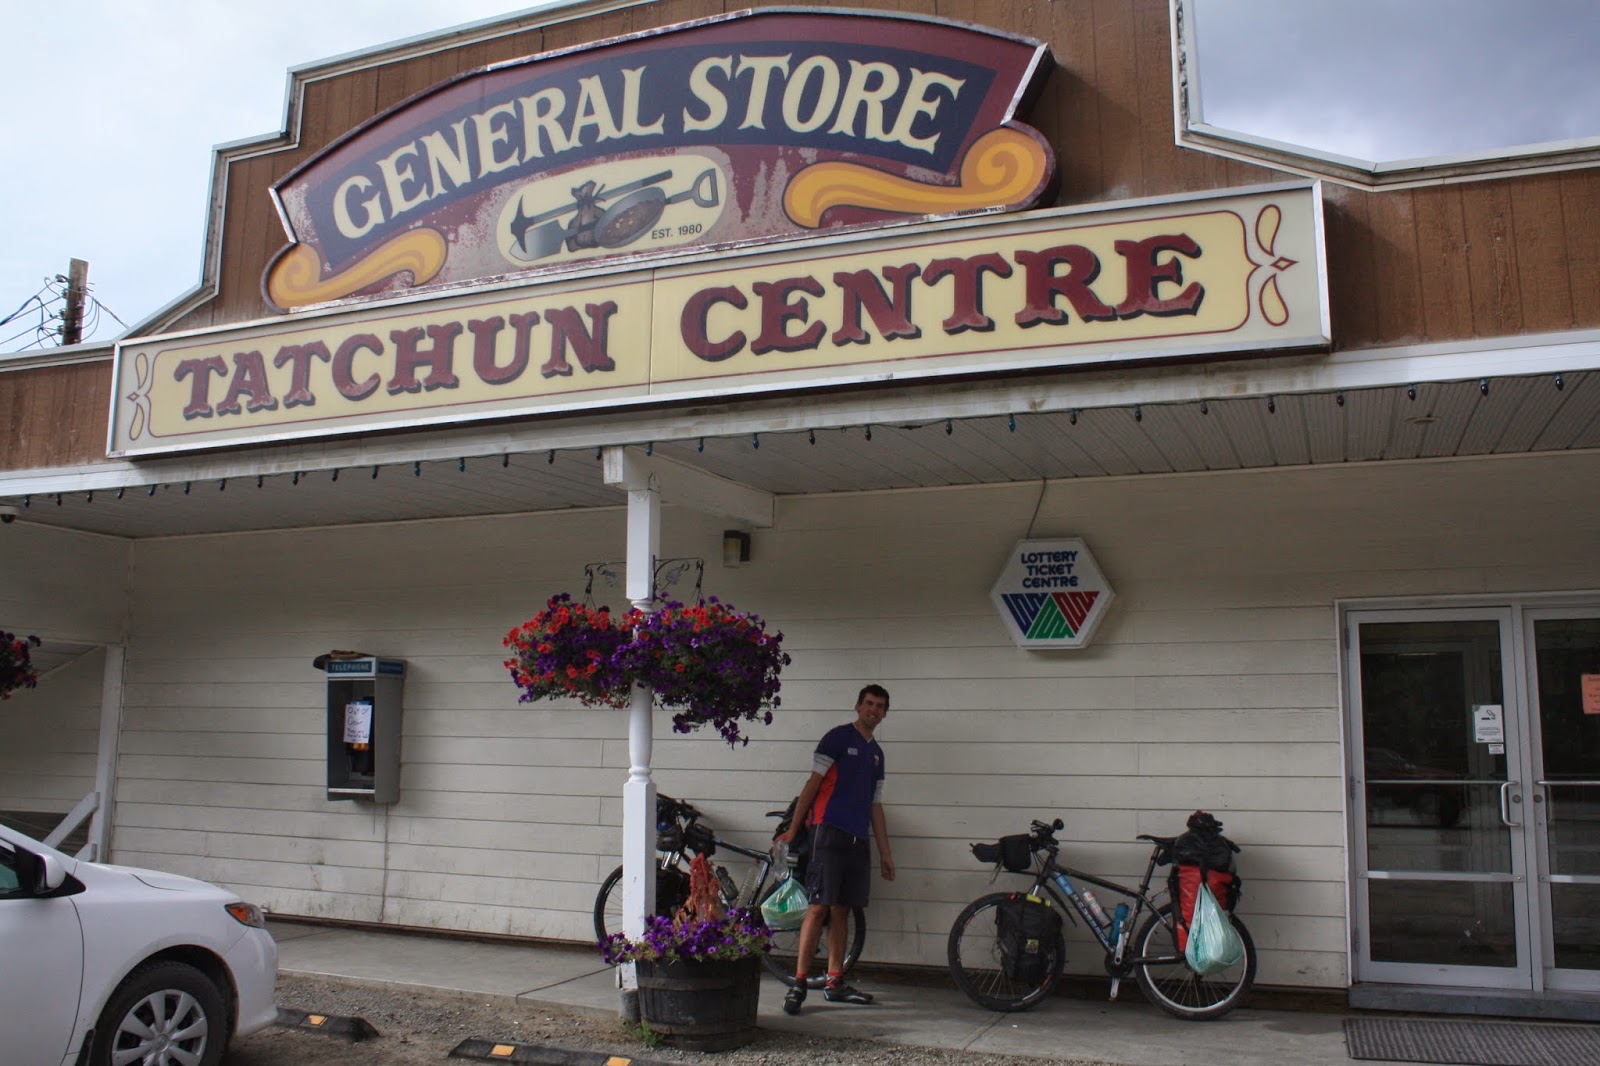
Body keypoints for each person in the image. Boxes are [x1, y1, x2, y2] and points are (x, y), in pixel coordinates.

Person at [775, 684, 896, 1014]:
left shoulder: (877, 755)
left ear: (885, 713)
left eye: (880, 706)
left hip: (858, 839)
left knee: (842, 909)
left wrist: (885, 853)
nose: (873, 709)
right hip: (827, 833)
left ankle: (834, 981)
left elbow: (875, 805)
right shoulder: (837, 738)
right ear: (858, 706)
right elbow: (812, 785)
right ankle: (799, 982)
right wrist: (793, 829)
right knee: (818, 907)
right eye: (869, 703)